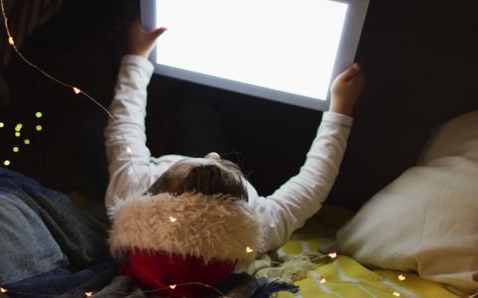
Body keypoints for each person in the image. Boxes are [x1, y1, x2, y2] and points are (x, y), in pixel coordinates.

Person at [104, 19, 366, 297]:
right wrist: (341, 107)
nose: (213, 154)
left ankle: (182, 106)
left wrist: (136, 57)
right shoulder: (256, 226)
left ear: (153, 189)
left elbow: (123, 125)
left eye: (206, 162)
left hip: (133, 176)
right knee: (198, 113)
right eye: (222, 165)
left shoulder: (130, 189)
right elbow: (313, 183)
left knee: (190, 111)